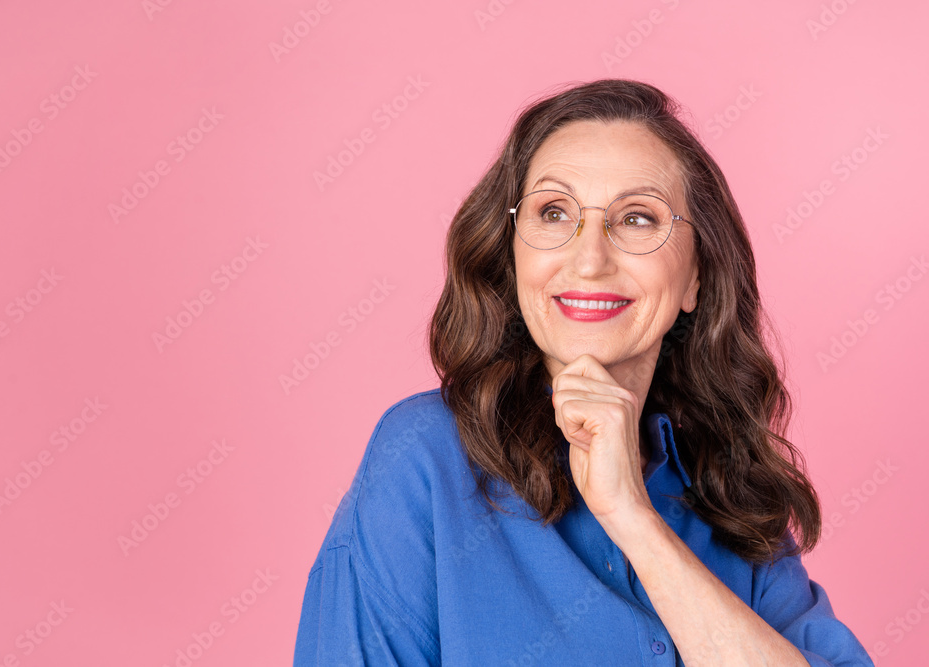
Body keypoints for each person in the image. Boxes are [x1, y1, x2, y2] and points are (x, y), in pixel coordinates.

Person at [293, 79, 873, 665]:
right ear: (512, 252)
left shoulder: (733, 490)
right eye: (553, 212)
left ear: (696, 276)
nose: (590, 258)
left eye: (638, 219)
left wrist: (635, 520)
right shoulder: (424, 458)